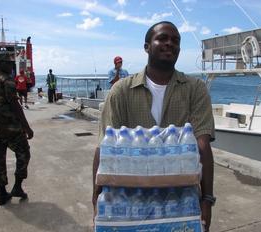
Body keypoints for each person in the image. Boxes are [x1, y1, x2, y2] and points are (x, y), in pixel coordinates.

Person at [92, 21, 216, 231]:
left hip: (180, 201)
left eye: (176, 41)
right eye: (162, 38)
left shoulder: (195, 89)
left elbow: (203, 146)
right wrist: (96, 199)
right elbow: (104, 147)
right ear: (147, 46)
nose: (170, 44)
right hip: (130, 205)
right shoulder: (121, 91)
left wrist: (207, 198)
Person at [0, 52, 33, 206]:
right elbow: (15, 106)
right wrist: (27, 127)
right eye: (8, 63)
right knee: (24, 153)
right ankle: (17, 187)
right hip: (11, 128)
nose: (11, 66)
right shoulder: (6, 81)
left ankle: (2, 194)